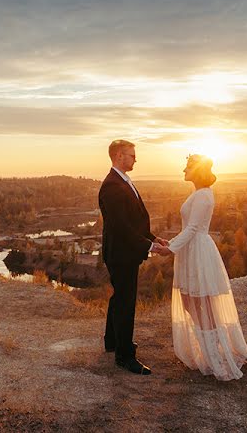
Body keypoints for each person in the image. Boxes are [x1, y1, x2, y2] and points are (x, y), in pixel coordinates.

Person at [167, 154, 247, 381]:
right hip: (190, 250)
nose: (183, 171)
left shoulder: (203, 196)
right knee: (190, 302)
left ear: (196, 171)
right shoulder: (197, 193)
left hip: (198, 250)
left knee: (202, 303)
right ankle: (209, 348)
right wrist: (169, 244)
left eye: (187, 167)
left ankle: (215, 358)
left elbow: (192, 229)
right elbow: (187, 228)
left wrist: (169, 248)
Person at [98, 139, 170, 375]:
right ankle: (125, 356)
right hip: (120, 253)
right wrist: (148, 246)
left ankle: (112, 341)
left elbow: (134, 221)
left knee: (120, 297)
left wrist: (153, 237)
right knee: (126, 303)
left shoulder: (122, 181)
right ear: (119, 156)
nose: (134, 159)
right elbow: (121, 227)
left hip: (124, 251)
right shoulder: (111, 186)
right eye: (131, 155)